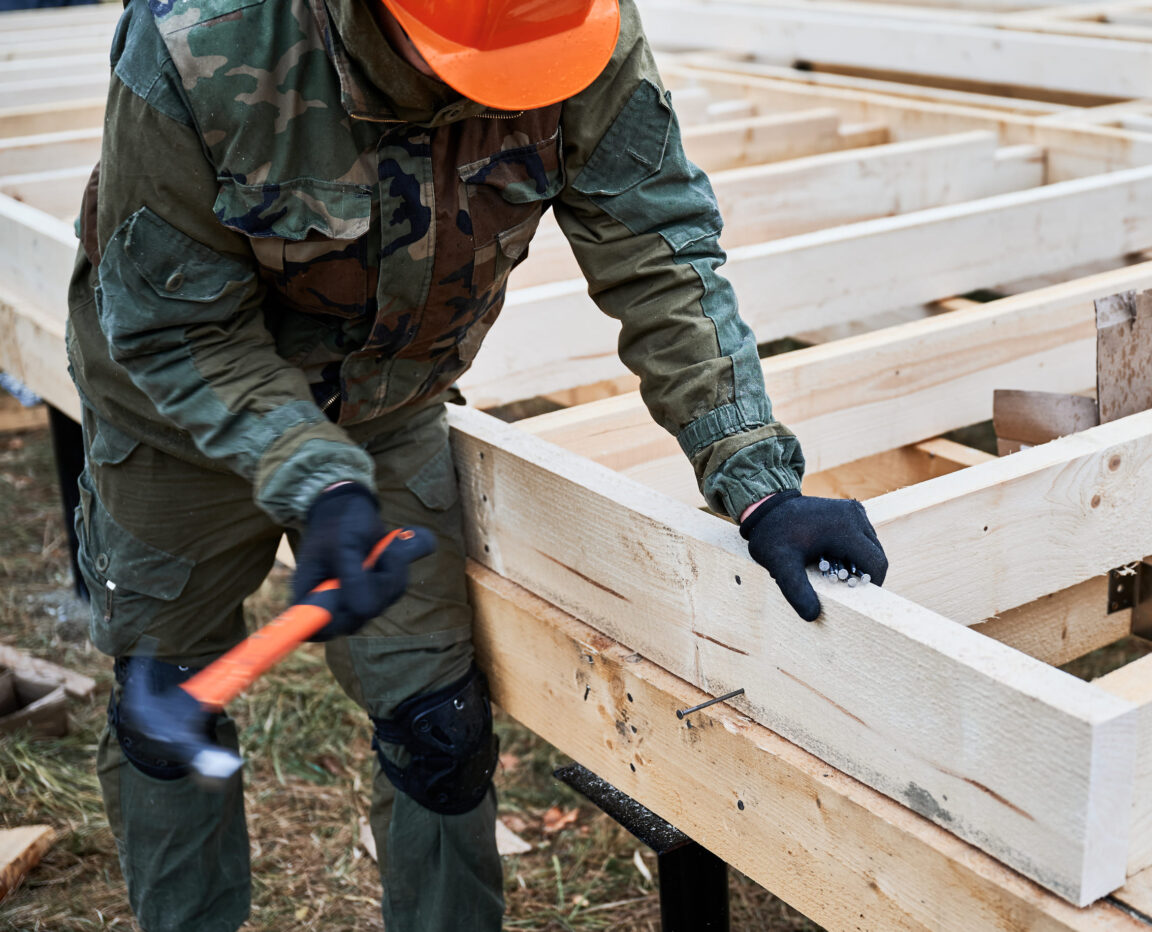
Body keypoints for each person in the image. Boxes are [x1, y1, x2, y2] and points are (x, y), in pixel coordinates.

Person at [65, 0, 889, 928]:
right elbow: (177, 324)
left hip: (390, 405)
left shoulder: (575, 25)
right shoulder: (198, 42)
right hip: (180, 409)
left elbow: (658, 248)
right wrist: (316, 478)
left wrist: (757, 476)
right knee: (167, 717)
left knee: (439, 731)